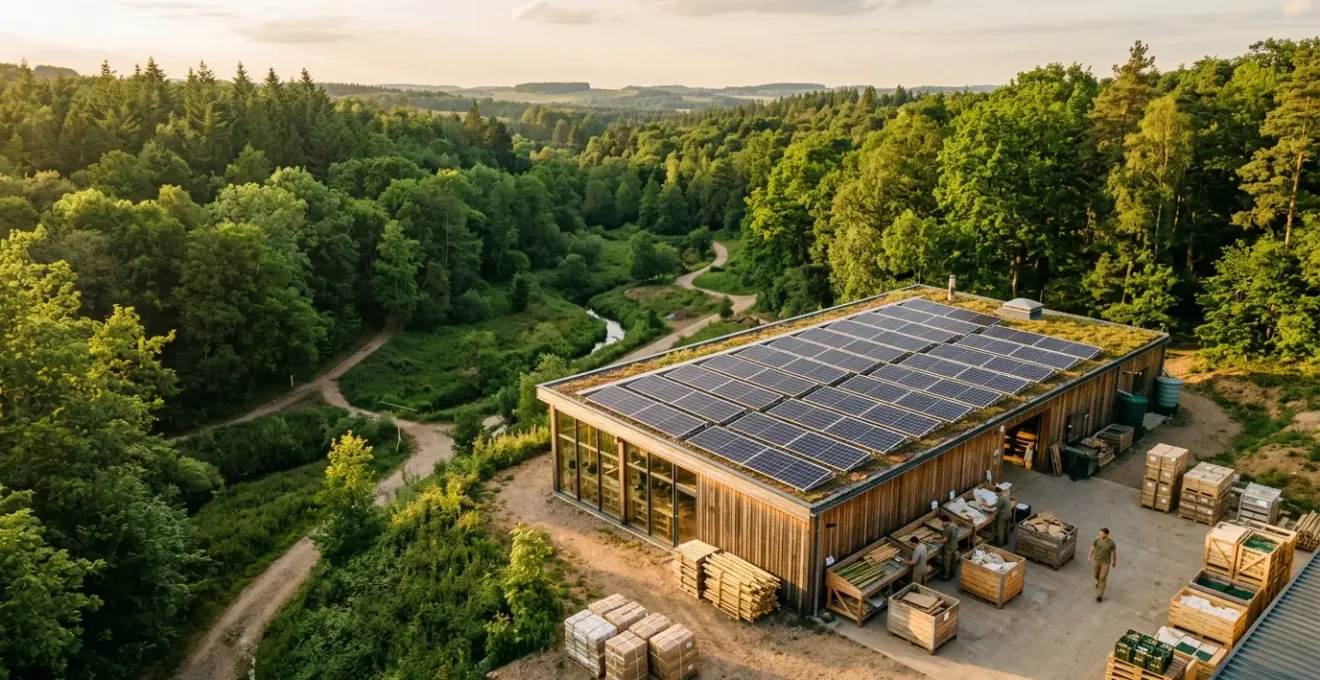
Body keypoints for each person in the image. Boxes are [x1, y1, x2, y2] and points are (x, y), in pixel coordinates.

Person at [1088, 527, 1118, 602]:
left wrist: (1114, 561)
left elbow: (1114, 552)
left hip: (1106, 563)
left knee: (1102, 578)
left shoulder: (1111, 543)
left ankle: (1099, 595)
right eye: (1100, 533)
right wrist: (1089, 556)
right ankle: (1099, 582)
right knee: (1096, 575)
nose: (1099, 534)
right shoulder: (1097, 539)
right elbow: (1092, 548)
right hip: (1097, 561)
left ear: (1106, 534)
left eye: (1101, 533)